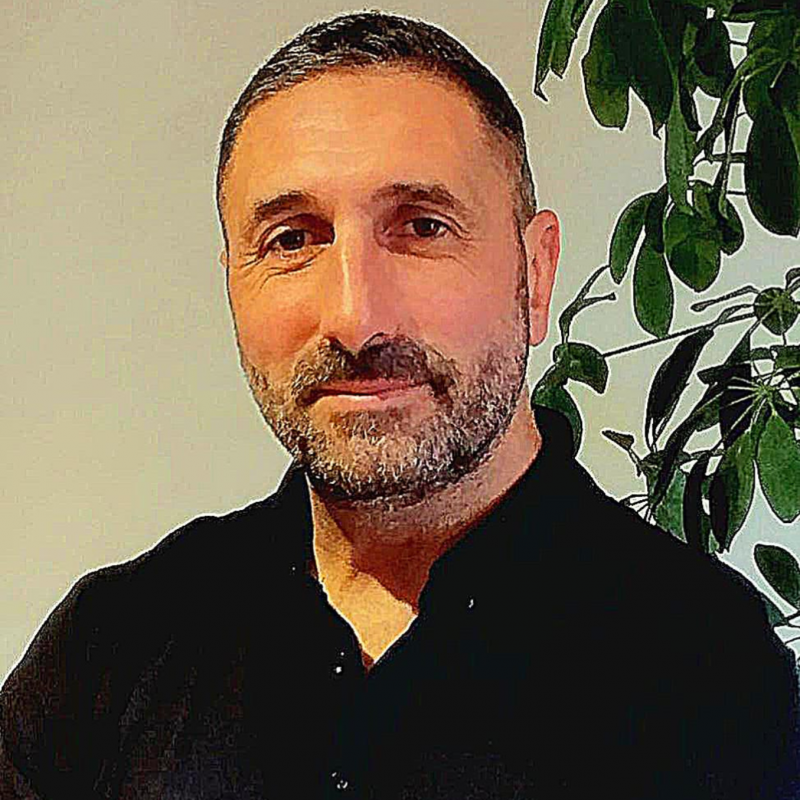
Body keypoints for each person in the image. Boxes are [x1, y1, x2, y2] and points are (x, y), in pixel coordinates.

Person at [1, 10, 797, 800]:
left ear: (536, 274)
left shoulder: (710, 679)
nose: (356, 318)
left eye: (421, 226)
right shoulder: (110, 650)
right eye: (292, 240)